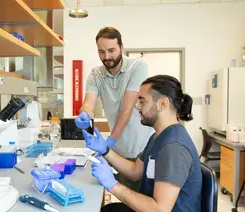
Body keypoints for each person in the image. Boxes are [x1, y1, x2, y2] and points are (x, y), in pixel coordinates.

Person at [83, 75, 202, 212]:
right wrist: (105, 150)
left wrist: (113, 185)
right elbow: (135, 171)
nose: (137, 107)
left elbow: (160, 209)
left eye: (142, 101)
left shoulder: (173, 147)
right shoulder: (158, 137)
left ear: (162, 104)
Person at [75, 27, 153, 190]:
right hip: (118, 151)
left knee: (141, 200)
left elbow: (127, 109)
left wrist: (108, 143)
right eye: (101, 52)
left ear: (122, 47)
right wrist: (85, 113)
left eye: (111, 50)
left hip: (141, 150)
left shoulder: (138, 67)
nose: (107, 57)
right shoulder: (96, 74)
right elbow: (89, 101)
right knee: (124, 198)